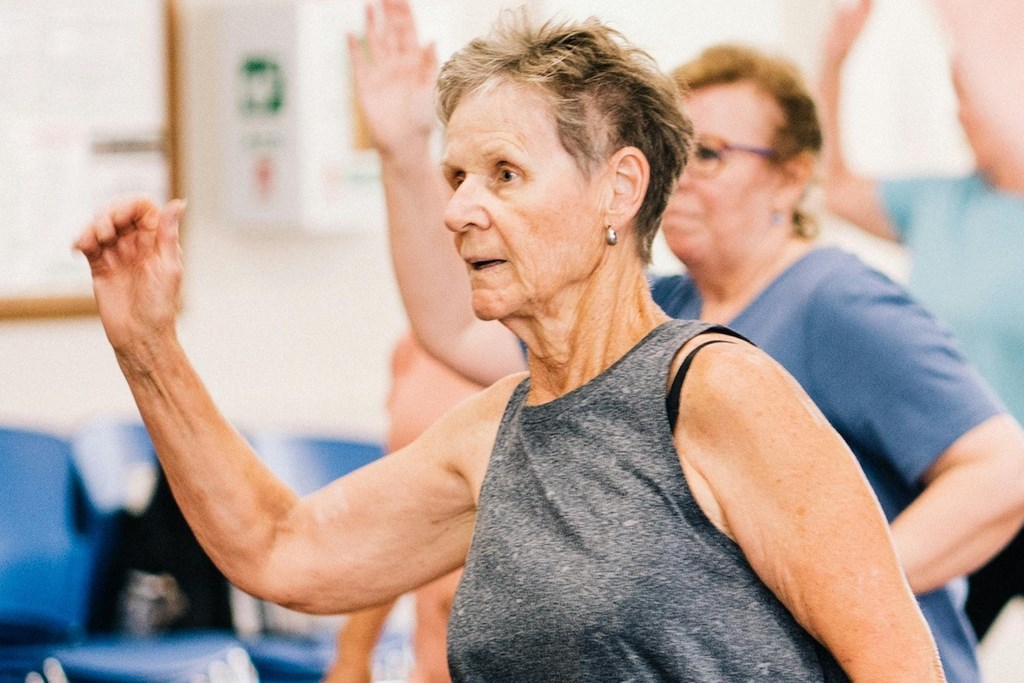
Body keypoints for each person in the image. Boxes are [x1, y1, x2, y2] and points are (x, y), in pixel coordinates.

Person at [76, 10, 945, 681]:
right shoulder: (493, 430)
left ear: (620, 188)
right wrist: (148, 344)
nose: (460, 209)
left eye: (504, 175)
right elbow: (280, 546)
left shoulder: (719, 394)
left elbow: (900, 666)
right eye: (457, 177)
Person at [348, 2, 1024, 681]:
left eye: (712, 154)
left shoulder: (834, 302)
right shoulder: (664, 312)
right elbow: (455, 329)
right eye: (680, 150)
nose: (684, 178)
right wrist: (404, 152)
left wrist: (826, 586)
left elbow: (1002, 471)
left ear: (790, 179)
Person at [818, 0, 1024, 642]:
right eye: (958, 95)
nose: (961, 113)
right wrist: (835, 63)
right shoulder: (940, 200)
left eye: (974, 95)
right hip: (964, 487)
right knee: (919, 649)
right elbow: (834, 185)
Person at [326, 332, 482, 683]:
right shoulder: (416, 346)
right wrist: (354, 652)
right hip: (430, 665)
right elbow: (398, 516)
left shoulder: (552, 347)